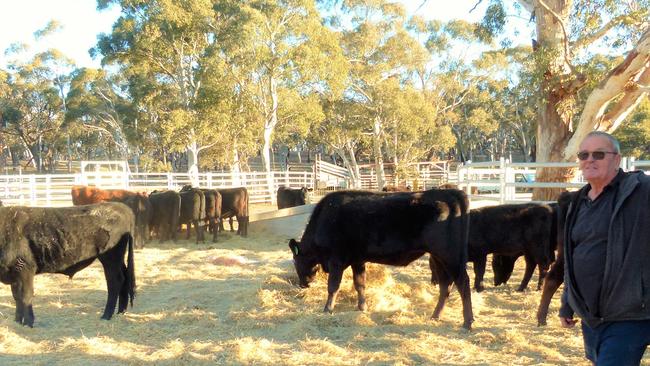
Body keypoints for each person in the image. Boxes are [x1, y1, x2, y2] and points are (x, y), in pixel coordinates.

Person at [559, 131, 650, 365]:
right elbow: (573, 256)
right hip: (591, 316)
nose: (590, 159)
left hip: (628, 313)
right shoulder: (578, 201)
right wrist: (567, 303)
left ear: (617, 159)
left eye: (599, 154)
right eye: (584, 154)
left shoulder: (640, 191)